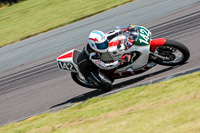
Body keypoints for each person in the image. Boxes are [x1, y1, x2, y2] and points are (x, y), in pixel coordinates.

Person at [77, 26, 136, 91]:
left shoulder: (100, 40)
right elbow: (105, 66)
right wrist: (121, 60)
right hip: (89, 69)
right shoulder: (93, 56)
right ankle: (96, 82)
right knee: (107, 85)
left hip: (97, 61)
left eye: (104, 43)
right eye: (101, 45)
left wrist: (124, 30)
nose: (104, 46)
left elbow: (110, 34)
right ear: (94, 45)